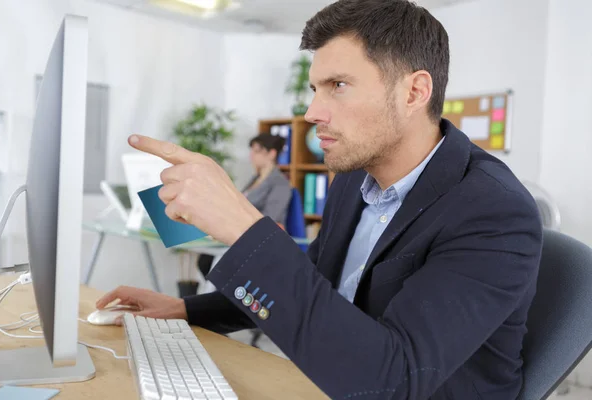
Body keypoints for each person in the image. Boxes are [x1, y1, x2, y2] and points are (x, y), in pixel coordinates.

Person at [96, 1, 543, 399]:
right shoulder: (353, 177)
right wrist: (185, 309)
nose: (312, 113)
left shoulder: (494, 212)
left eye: (339, 85)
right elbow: (315, 281)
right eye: (315, 89)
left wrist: (243, 225)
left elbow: (394, 381)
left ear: (414, 92)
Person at [196, 132, 292, 278]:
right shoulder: (255, 179)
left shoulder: (280, 183)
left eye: (257, 151)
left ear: (272, 154)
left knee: (212, 264)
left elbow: (269, 218)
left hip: (258, 239)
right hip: (238, 234)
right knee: (205, 260)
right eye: (251, 150)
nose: (251, 155)